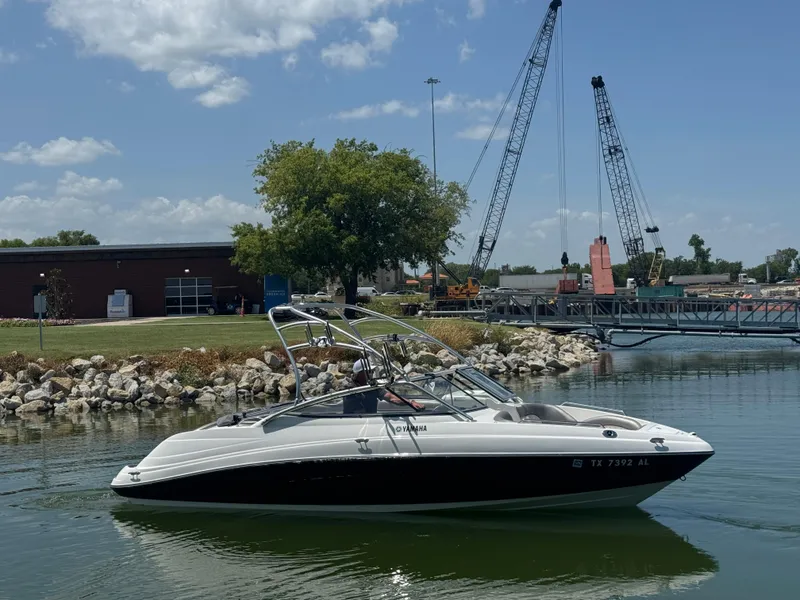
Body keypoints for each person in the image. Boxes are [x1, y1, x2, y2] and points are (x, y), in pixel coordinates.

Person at [346, 357, 425, 413]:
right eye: (369, 371)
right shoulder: (349, 389)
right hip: (356, 424)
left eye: (372, 371)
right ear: (360, 374)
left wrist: (410, 403)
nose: (372, 373)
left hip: (370, 423)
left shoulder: (372, 387)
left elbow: (391, 397)